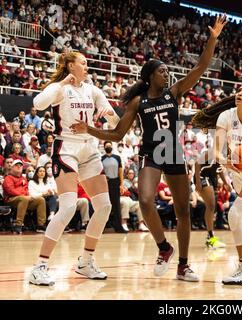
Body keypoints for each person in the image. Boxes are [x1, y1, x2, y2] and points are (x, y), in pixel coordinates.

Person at [70, 15, 227, 282]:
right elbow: (118, 134)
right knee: (144, 200)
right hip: (152, 152)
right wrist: (91, 130)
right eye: (162, 71)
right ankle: (164, 247)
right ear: (150, 75)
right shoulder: (138, 102)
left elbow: (201, 67)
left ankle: (184, 265)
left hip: (173, 151)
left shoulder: (174, 92)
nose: (167, 74)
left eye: (167, 71)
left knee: (183, 211)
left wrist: (212, 38)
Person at [29, 51, 119, 286]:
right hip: (66, 148)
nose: (87, 65)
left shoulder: (93, 90)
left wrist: (107, 115)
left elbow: (116, 123)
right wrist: (61, 83)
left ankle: (85, 262)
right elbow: (37, 103)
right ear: (70, 65)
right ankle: (40, 266)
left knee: (104, 207)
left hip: (89, 149)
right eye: (83, 62)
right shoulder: (60, 89)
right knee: (68, 207)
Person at [193, 84, 242, 285]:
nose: (240, 93)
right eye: (239, 90)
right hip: (237, 171)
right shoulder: (226, 117)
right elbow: (218, 151)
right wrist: (225, 161)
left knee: (235, 214)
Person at [193, 128, 229, 248]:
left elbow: (220, 170)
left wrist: (225, 183)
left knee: (211, 206)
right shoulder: (212, 151)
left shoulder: (223, 153)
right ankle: (210, 237)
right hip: (202, 176)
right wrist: (198, 182)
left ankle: (210, 236)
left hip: (211, 177)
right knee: (211, 205)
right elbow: (197, 164)